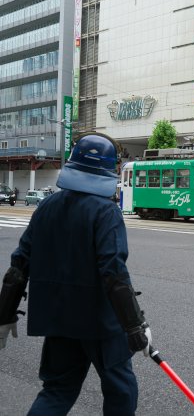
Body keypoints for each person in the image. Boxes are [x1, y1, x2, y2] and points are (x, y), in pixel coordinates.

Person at [0, 134, 152, 416]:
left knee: (57, 390)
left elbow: (18, 266)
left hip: (59, 319)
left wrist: (4, 315)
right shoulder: (107, 212)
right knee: (120, 389)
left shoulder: (46, 207)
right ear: (110, 170)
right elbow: (114, 273)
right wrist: (135, 326)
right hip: (101, 322)